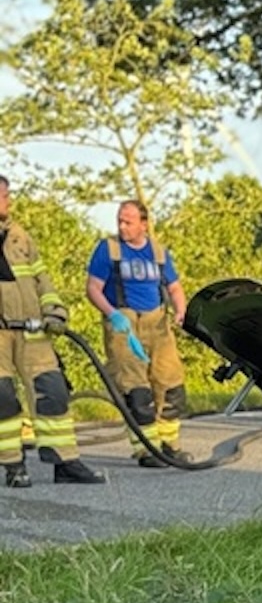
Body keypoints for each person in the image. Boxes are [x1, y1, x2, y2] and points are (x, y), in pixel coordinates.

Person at [0, 176, 103, 487]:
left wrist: (54, 311)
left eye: (5, 195)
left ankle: (65, 461)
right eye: (1, 196)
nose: (5, 201)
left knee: (53, 391)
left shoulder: (19, 237)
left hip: (32, 329)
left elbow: (41, 279)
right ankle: (13, 465)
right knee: (2, 398)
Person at [85, 199, 189, 467]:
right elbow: (93, 288)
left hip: (157, 323)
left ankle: (170, 444)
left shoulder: (158, 252)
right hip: (124, 324)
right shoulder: (108, 249)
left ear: (144, 224)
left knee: (171, 382)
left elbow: (174, 287)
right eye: (120, 220)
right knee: (136, 389)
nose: (122, 226)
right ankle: (147, 448)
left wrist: (181, 310)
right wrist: (112, 314)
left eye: (128, 222)